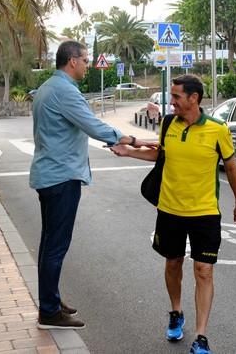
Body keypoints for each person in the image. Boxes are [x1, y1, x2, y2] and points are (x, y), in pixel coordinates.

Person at [111, 74, 236, 354]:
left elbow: (232, 168)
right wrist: (128, 152)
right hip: (170, 210)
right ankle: (176, 312)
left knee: (203, 270)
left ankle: (201, 335)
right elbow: (161, 156)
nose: (170, 102)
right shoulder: (169, 123)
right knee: (173, 263)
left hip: (205, 213)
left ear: (194, 98)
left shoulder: (217, 130)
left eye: (176, 97)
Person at [30, 40, 154, 330]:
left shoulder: (49, 87)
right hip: (60, 177)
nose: (88, 64)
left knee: (50, 243)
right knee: (55, 246)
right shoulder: (64, 91)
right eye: (85, 60)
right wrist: (133, 140)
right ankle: (48, 311)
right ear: (72, 61)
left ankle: (51, 298)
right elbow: (93, 125)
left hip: (51, 175)